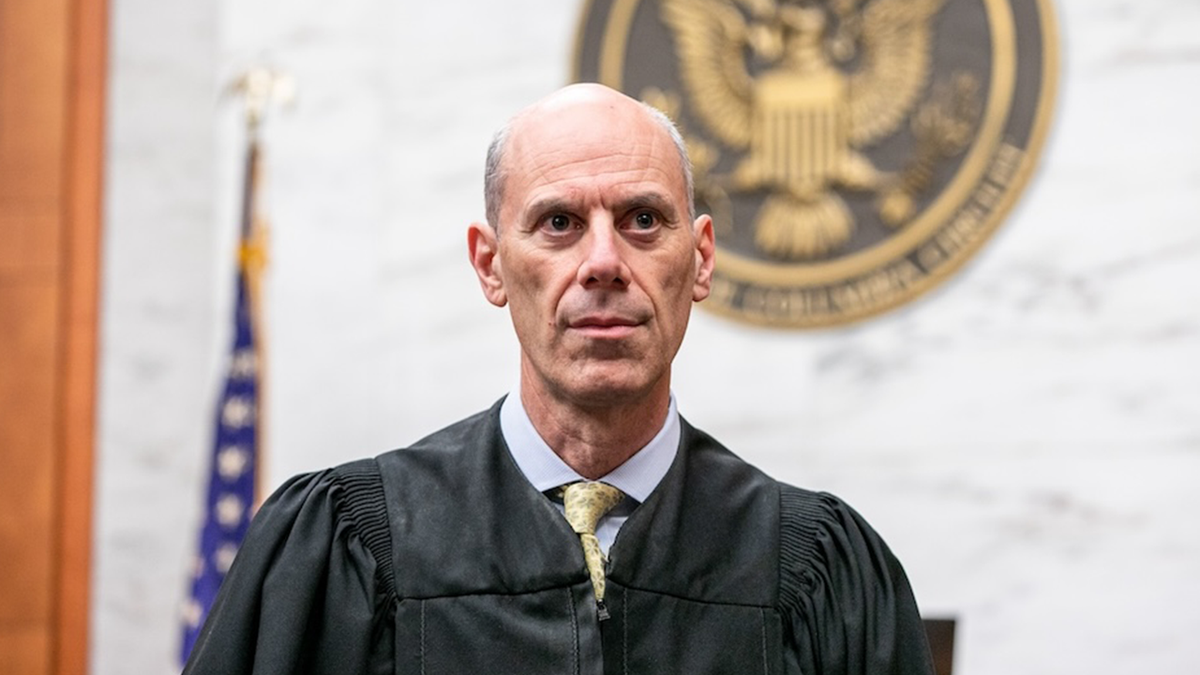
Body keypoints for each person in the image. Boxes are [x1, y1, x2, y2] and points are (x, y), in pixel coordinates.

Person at [183, 84, 935, 675]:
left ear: (701, 258)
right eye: (558, 224)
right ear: (490, 265)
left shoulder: (814, 571)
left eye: (643, 220)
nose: (604, 262)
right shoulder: (351, 548)